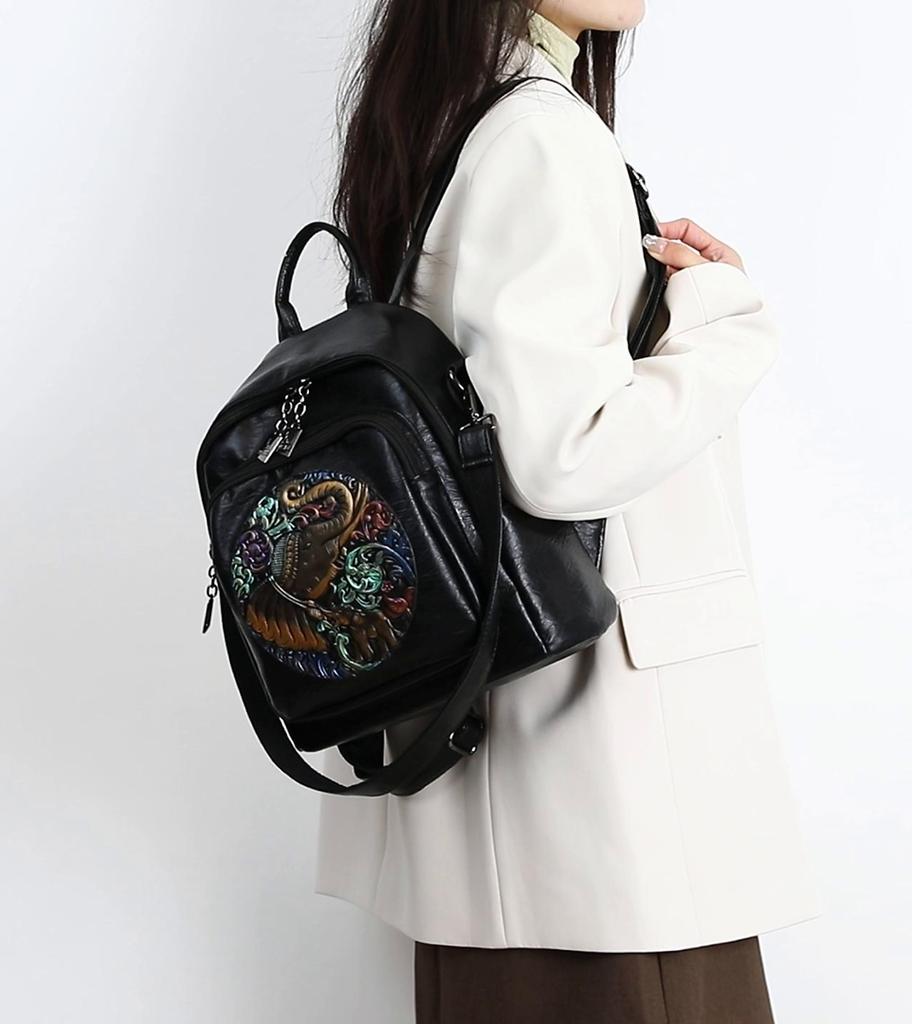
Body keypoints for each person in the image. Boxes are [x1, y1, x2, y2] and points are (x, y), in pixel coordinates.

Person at [315, 2, 821, 1020]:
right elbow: (559, 453)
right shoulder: (539, 133)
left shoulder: (437, 114)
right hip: (599, 793)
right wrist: (720, 324)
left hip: (498, 762)